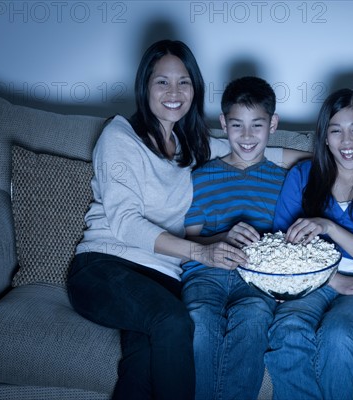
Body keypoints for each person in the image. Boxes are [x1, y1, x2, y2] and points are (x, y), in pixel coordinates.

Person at [65, 40, 285, 400]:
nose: (174, 92)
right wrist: (200, 254)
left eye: (184, 82)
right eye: (162, 82)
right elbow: (125, 223)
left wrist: (335, 155)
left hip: (162, 279)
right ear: (144, 87)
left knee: (142, 363)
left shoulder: (192, 145)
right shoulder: (120, 136)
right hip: (105, 267)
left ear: (195, 89)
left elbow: (256, 152)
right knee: (173, 322)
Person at [265, 88, 353, 400]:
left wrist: (329, 226)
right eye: (336, 131)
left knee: (338, 336)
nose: (347, 141)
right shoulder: (302, 176)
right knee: (289, 331)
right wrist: (334, 279)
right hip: (311, 279)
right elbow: (280, 248)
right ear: (325, 138)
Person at [180, 76, 307, 399]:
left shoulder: (285, 180)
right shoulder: (202, 177)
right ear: (223, 124)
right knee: (201, 324)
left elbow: (326, 163)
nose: (247, 137)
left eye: (257, 126)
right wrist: (224, 235)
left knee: (253, 319)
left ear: (273, 125)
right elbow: (191, 241)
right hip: (206, 273)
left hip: (255, 278)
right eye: (237, 126)